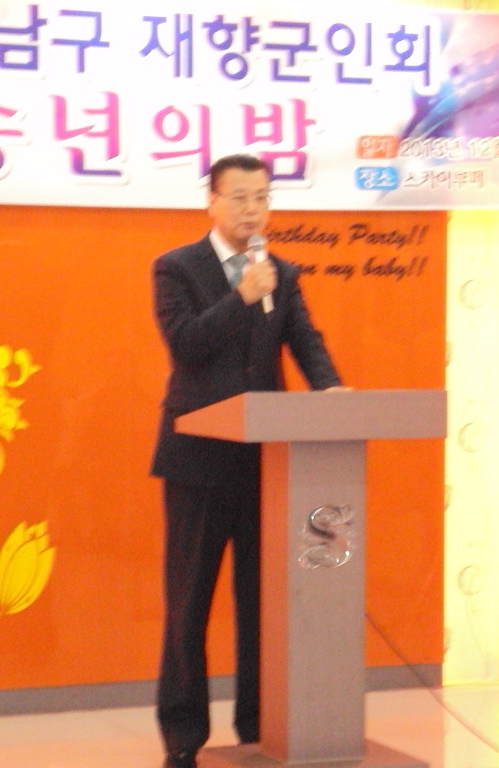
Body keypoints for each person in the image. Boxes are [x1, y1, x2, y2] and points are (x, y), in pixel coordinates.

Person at [151, 154, 345, 768]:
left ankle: (259, 726)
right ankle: (183, 738)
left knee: (262, 605)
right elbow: (186, 344)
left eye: (262, 197)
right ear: (211, 201)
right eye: (240, 198)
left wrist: (330, 388)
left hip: (265, 463)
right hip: (197, 462)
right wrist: (241, 297)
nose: (253, 210)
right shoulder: (176, 268)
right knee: (189, 607)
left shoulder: (281, 273)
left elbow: (305, 338)